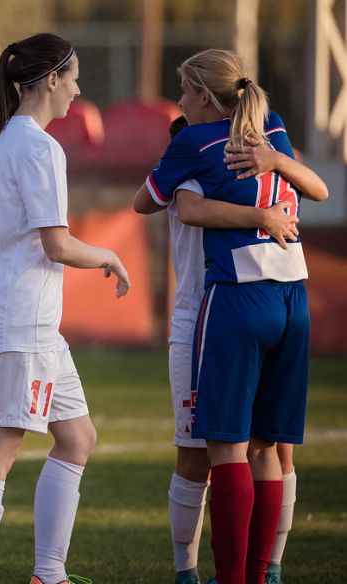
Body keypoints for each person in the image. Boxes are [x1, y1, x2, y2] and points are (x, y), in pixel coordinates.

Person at [0, 33, 130, 584]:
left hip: (25, 321)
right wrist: (109, 254)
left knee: (77, 437)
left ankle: (50, 574)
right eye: (75, 78)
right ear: (50, 80)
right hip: (25, 321)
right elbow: (57, 244)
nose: (78, 91)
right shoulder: (39, 147)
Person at [138, 48, 327, 584]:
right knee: (268, 447)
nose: (177, 100)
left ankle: (231, 575)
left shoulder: (195, 142)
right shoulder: (270, 129)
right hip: (293, 293)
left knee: (225, 450)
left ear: (202, 95)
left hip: (232, 297)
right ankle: (260, 570)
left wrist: (256, 205)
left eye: (183, 90)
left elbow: (149, 202)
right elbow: (316, 190)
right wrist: (274, 170)